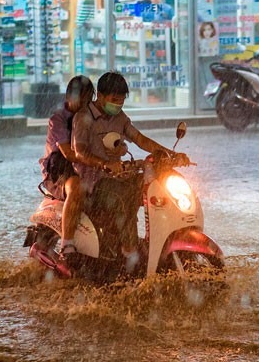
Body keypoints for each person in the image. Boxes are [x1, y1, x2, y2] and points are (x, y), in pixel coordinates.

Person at [72, 71, 187, 274]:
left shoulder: (120, 118)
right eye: (114, 100)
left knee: (153, 187)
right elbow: (79, 152)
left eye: (122, 101)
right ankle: (130, 254)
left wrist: (170, 155)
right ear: (100, 95)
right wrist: (104, 164)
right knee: (124, 197)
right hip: (93, 183)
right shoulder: (83, 118)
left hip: (117, 177)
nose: (118, 105)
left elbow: (140, 139)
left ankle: (156, 243)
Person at [38, 75, 95, 267]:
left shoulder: (93, 116)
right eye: (81, 99)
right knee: (77, 189)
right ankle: (66, 244)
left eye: (88, 99)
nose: (84, 104)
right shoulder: (59, 119)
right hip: (59, 170)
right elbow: (68, 154)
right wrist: (99, 161)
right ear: (69, 96)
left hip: (86, 167)